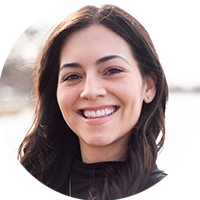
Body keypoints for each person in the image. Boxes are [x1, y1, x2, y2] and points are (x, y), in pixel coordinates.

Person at [17, 4, 193, 200]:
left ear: (149, 87)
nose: (90, 91)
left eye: (113, 71)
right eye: (72, 76)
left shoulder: (167, 196)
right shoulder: (37, 186)